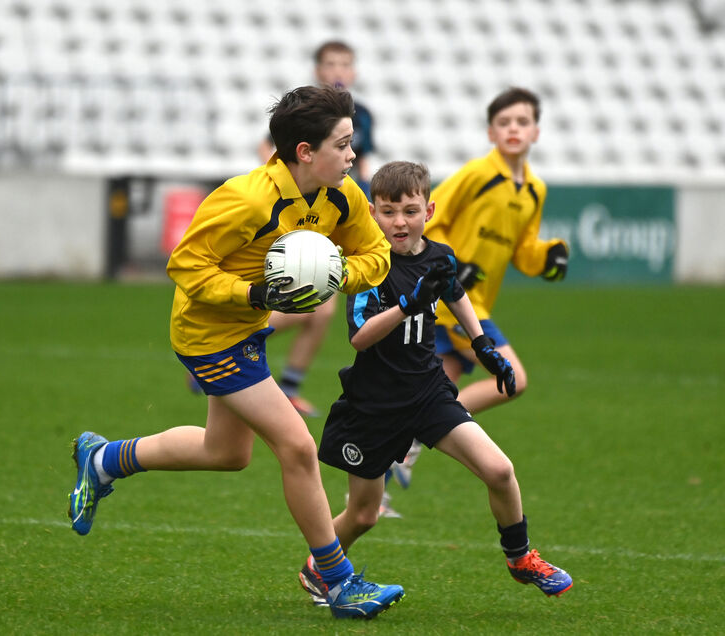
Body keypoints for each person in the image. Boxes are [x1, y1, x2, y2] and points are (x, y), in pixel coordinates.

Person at [68, 85, 404, 620]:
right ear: (304, 152)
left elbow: (377, 253)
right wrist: (252, 294)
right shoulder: (246, 199)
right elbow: (185, 265)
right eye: (342, 144)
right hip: (207, 333)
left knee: (227, 453)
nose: (352, 155)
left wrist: (338, 274)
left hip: (248, 330)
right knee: (296, 446)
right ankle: (339, 583)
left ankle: (104, 459)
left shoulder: (342, 197)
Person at [297, 161, 572, 607]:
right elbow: (359, 336)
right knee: (365, 514)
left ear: (430, 209)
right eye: (387, 212)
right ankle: (319, 568)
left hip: (427, 392)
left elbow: (456, 294)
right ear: (372, 212)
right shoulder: (369, 266)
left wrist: (484, 348)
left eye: (409, 210)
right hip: (374, 405)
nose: (399, 222)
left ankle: (520, 558)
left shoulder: (440, 255)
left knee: (500, 470)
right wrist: (408, 305)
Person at [388, 87, 570, 493]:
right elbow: (430, 218)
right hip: (455, 302)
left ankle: (380, 482)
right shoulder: (477, 174)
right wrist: (452, 262)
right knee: (514, 380)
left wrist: (547, 258)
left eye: (522, 122)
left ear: (536, 132)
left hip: (477, 302)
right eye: (504, 122)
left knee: (433, 388)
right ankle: (423, 430)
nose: (513, 129)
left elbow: (523, 251)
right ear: (491, 132)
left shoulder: (534, 189)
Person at [252, 40, 377, 417]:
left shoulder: (364, 115)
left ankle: (287, 383)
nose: (338, 70)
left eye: (345, 64)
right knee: (314, 304)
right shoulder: (306, 114)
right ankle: (240, 342)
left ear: (354, 72)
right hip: (300, 208)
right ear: (318, 70)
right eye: (331, 64)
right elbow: (267, 149)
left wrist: (366, 196)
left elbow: (361, 161)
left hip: (333, 207)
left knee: (320, 307)